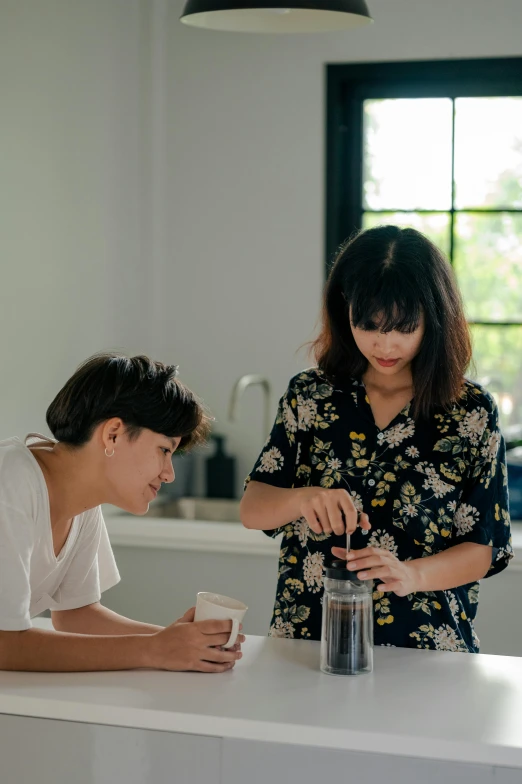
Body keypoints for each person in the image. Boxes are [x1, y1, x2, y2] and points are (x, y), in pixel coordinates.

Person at [241, 225, 513, 652]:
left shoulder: (471, 412)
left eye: (405, 326)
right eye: (368, 324)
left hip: (425, 647)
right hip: (310, 642)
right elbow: (253, 509)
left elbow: (482, 548)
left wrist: (412, 574)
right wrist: (303, 498)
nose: (385, 344)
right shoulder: (311, 395)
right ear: (343, 309)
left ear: (434, 317)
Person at [0, 353, 244, 672]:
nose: (169, 473)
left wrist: (180, 642)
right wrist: (156, 650)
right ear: (113, 433)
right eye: (164, 450)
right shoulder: (11, 481)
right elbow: (5, 645)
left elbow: (77, 615)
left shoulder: (83, 501)